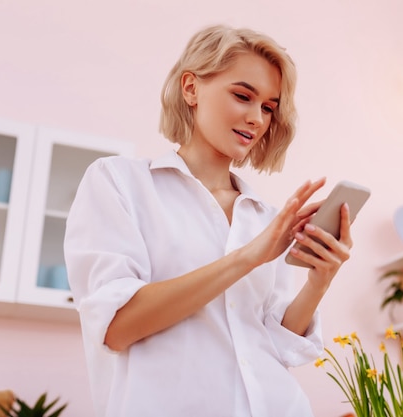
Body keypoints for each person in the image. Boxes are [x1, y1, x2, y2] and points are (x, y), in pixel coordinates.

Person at [64, 24, 354, 417]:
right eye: (242, 96)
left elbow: (279, 346)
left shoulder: (266, 218)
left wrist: (319, 282)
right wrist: (247, 257)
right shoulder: (119, 183)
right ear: (190, 88)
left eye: (268, 107)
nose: (257, 118)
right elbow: (117, 326)